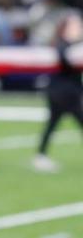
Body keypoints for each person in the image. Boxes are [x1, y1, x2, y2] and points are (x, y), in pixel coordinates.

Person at [33, 12, 83, 172]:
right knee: (54, 124)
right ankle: (40, 156)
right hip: (61, 93)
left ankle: (40, 155)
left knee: (52, 124)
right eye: (76, 26)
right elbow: (67, 64)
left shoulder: (75, 46)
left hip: (70, 92)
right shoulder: (62, 45)